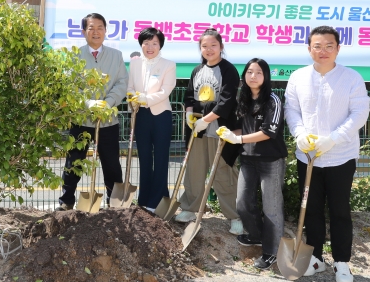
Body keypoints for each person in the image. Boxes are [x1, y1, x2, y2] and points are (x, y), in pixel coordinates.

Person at [285, 25, 370, 282]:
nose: (323, 51)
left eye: (329, 46)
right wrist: (299, 134)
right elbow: (292, 109)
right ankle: (316, 258)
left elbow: (359, 114)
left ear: (338, 49)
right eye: (317, 46)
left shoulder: (351, 78)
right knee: (310, 209)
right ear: (309, 48)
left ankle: (342, 262)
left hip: (340, 157)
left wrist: (332, 139)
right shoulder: (298, 77)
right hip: (308, 157)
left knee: (339, 209)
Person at [217, 58, 287, 270]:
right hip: (247, 159)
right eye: (249, 72)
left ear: (266, 76)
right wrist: (230, 134)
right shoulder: (244, 98)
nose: (253, 76)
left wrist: (239, 139)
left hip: (271, 160)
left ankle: (271, 252)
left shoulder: (273, 100)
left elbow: (268, 132)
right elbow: (245, 131)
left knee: (271, 208)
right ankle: (256, 236)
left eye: (258, 72)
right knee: (243, 203)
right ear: (244, 76)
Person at [58, 13, 127, 210]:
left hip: (108, 120)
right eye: (91, 28)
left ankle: (114, 202)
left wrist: (107, 103)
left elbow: (122, 82)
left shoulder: (116, 55)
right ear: (83, 31)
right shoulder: (75, 55)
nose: (95, 32)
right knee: (74, 161)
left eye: (100, 27)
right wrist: (89, 104)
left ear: (105, 31)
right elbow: (69, 86)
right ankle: (67, 201)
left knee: (111, 163)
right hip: (81, 119)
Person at [176, 28, 242, 234]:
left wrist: (205, 120)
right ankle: (189, 208)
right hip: (198, 132)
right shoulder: (197, 71)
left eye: (213, 45)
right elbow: (188, 96)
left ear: (221, 46)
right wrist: (189, 113)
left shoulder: (229, 70)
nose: (209, 49)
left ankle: (235, 215)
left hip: (221, 131)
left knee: (225, 174)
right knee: (194, 171)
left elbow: (226, 102)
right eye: (204, 46)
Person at [126, 27, 176, 211]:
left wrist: (145, 98)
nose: (150, 47)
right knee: (145, 158)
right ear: (141, 44)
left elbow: (166, 91)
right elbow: (130, 86)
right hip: (141, 115)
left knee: (161, 158)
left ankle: (157, 202)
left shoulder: (168, 64)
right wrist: (133, 98)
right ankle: (145, 199)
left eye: (154, 43)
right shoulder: (134, 64)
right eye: (146, 43)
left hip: (161, 115)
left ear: (160, 45)